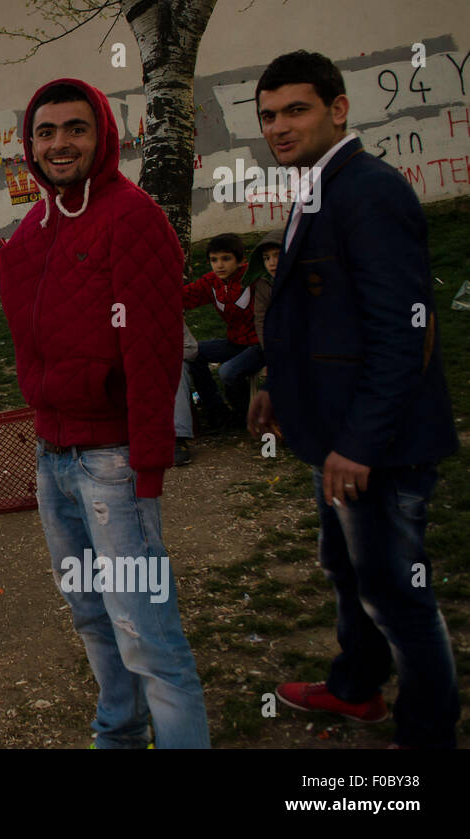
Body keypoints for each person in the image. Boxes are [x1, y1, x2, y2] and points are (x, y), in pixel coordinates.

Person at [0, 78, 209, 749]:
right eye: (45, 131)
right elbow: (38, 301)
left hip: (113, 465)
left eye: (75, 128)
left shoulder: (133, 217)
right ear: (29, 144)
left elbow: (155, 355)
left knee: (147, 633)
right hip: (52, 457)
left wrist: (148, 467)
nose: (59, 142)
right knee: (91, 615)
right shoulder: (35, 226)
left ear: (102, 136)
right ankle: (118, 732)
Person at [248, 50, 459, 749]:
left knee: (397, 594)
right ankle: (356, 689)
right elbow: (317, 315)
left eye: (296, 109)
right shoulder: (319, 185)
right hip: (335, 437)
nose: (280, 126)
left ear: (338, 108)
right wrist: (277, 383)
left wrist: (361, 443)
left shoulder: (366, 189)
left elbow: (407, 333)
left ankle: (427, 733)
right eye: (269, 115)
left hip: (378, 448)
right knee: (348, 572)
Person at [183, 233, 263, 427]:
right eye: (213, 260)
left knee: (227, 371)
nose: (219, 265)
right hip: (235, 342)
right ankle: (217, 410)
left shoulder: (254, 279)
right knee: (193, 353)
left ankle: (244, 414)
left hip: (260, 344)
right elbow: (184, 297)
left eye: (226, 259)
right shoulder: (212, 282)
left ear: (241, 260)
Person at [242, 230, 281, 349]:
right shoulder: (263, 284)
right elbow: (260, 319)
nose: (272, 263)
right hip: (277, 344)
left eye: (277, 255)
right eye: (266, 258)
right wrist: (269, 352)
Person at [173, 324, 199, 466]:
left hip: (163, 364)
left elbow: (191, 349)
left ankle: (179, 437)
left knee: (178, 369)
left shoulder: (167, 314)